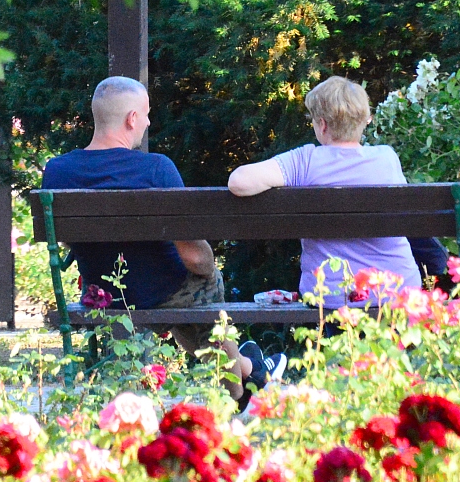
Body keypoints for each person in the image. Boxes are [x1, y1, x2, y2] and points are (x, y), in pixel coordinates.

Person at [42, 76, 282, 405]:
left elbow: (68, 242)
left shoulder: (57, 172)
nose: (149, 121)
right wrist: (210, 267)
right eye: (146, 113)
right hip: (166, 292)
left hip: (106, 296)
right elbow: (196, 258)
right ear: (131, 119)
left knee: (187, 293)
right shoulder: (156, 168)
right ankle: (240, 384)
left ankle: (245, 370)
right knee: (202, 283)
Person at [228, 76, 430, 308]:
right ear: (363, 121)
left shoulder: (304, 162)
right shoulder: (387, 158)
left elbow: (239, 182)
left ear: (322, 125)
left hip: (332, 299)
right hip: (397, 293)